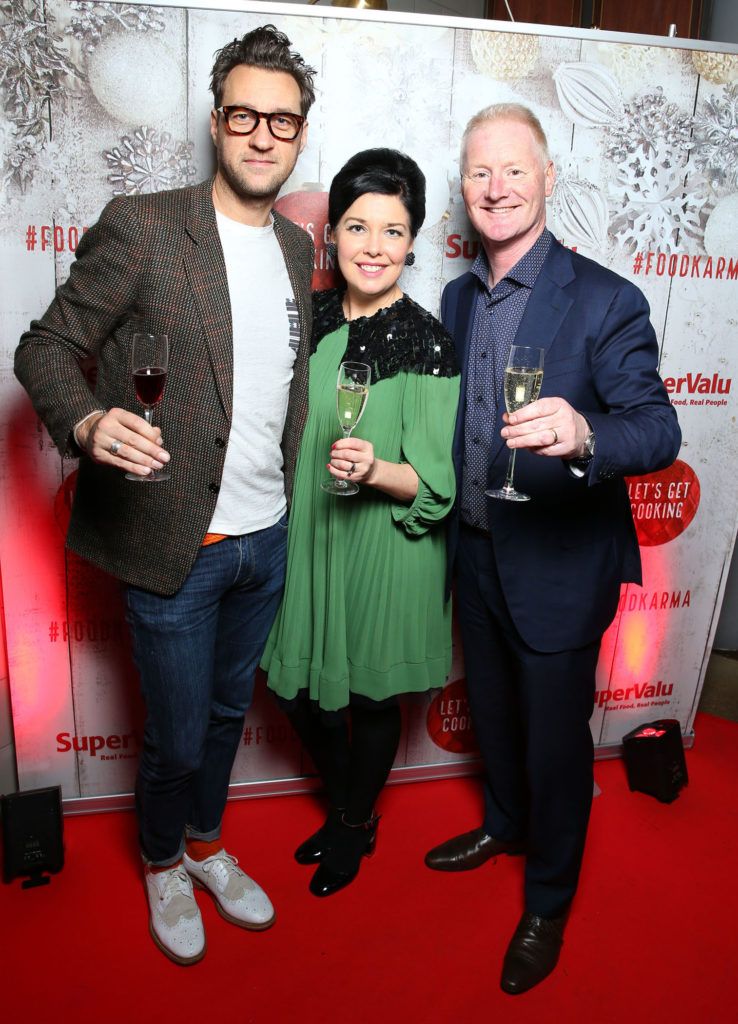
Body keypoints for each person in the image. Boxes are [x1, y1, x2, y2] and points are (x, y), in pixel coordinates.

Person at [14, 25, 316, 965]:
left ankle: (207, 841)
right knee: (178, 734)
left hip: (265, 540)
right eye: (244, 115)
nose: (263, 136)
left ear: (301, 132)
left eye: (283, 120)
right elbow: (45, 347)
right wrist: (87, 424)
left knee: (229, 716)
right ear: (217, 121)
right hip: (172, 541)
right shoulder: (145, 225)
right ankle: (160, 859)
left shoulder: (302, 244)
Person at [424, 104, 681, 994]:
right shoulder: (459, 297)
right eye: (479, 174)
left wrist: (584, 432)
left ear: (548, 179)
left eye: (513, 171)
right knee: (494, 716)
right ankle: (504, 823)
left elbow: (657, 429)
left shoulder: (605, 298)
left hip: (560, 564)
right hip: (479, 548)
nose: (495, 189)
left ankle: (548, 898)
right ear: (464, 188)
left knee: (556, 744)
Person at [262, 148, 460, 897]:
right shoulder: (305, 321)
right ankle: (353, 805)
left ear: (412, 242)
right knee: (296, 689)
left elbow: (433, 482)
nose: (373, 246)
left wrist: (375, 470)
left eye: (392, 229)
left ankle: (349, 823)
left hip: (386, 545)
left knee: (372, 699)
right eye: (356, 226)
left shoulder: (428, 341)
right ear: (332, 237)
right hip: (313, 535)